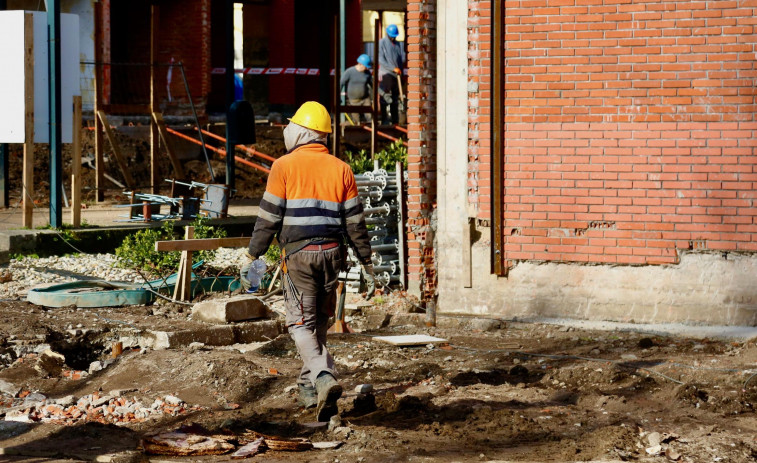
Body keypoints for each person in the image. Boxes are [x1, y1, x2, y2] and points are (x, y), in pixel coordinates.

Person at [242, 101, 374, 422]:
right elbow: (355, 222)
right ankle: (309, 388)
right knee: (319, 320)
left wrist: (252, 255)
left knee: (299, 323)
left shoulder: (283, 166)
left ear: (300, 132)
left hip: (299, 255)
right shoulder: (341, 169)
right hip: (333, 254)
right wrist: (366, 262)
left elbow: (269, 218)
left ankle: (324, 375)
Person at [378, 24, 405, 125]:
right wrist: (392, 68)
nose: (393, 37)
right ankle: (384, 119)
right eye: (392, 35)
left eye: (395, 36)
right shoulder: (382, 43)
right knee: (385, 96)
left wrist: (401, 73)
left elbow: (399, 59)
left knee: (395, 98)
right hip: (386, 73)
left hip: (396, 75)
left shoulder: (397, 44)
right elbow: (380, 59)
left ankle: (395, 120)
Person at [340, 54, 373, 125]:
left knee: (369, 117)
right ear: (360, 64)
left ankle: (371, 131)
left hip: (365, 100)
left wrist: (382, 94)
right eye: (366, 66)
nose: (367, 68)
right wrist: (337, 96)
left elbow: (373, 85)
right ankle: (357, 132)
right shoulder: (349, 72)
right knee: (356, 121)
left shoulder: (367, 73)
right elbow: (340, 83)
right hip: (353, 101)